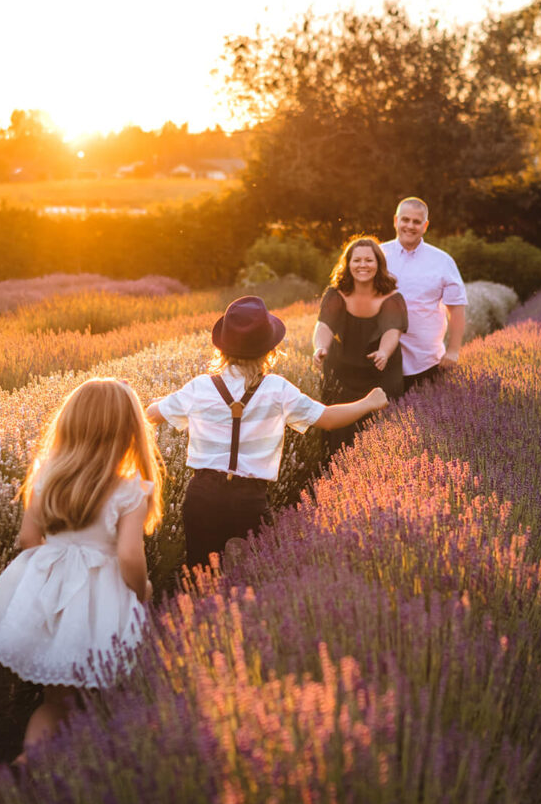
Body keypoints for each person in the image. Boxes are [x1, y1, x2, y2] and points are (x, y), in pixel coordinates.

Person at [0, 377, 161, 750]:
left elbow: (27, 539)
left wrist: (52, 569)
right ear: (129, 431)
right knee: (105, 694)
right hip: (101, 602)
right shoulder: (131, 491)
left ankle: (32, 765)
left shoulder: (46, 477)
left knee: (56, 700)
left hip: (52, 596)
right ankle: (89, 770)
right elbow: (130, 555)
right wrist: (140, 589)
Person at [147, 295, 387, 570]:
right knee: (258, 575)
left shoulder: (199, 387)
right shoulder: (277, 389)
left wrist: (148, 400)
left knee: (200, 575)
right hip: (249, 498)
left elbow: (152, 415)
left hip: (202, 495)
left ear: (222, 348)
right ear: (269, 350)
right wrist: (370, 402)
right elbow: (328, 419)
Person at [311, 235, 407, 462]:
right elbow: (324, 324)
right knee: (338, 435)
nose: (363, 265)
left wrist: (384, 352)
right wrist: (320, 347)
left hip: (380, 371)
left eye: (369, 260)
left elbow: (392, 330)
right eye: (357, 260)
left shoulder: (393, 298)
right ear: (348, 263)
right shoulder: (336, 294)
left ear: (378, 264)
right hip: (343, 371)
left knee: (381, 434)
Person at [380, 196, 467, 391]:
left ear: (425, 226)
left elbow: (457, 309)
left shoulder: (442, 261)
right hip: (382, 359)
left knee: (427, 418)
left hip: (427, 361)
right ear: (396, 221)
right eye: (405, 220)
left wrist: (453, 351)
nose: (410, 226)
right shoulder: (378, 256)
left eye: (416, 222)